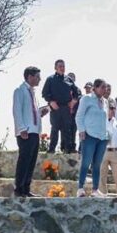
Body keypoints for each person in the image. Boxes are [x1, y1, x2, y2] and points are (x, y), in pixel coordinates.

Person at [13, 66, 48, 198]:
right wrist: (21, 128)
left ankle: (26, 188)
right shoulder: (20, 91)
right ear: (30, 77)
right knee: (24, 160)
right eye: (37, 76)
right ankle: (19, 188)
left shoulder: (33, 93)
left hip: (34, 131)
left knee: (31, 161)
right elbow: (17, 111)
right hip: (26, 131)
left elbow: (31, 111)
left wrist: (41, 113)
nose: (40, 79)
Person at [75, 78, 111, 198]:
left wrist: (108, 135)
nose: (105, 89)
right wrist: (81, 130)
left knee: (97, 164)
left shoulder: (105, 101)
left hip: (102, 137)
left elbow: (106, 119)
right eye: (102, 87)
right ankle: (80, 188)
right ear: (95, 88)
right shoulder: (86, 99)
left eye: (106, 87)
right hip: (89, 135)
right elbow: (79, 116)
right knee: (86, 162)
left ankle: (95, 190)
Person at [41, 59, 80, 153]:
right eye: (60, 66)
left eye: (63, 66)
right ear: (55, 68)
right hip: (55, 108)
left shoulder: (69, 79)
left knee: (67, 129)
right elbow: (44, 93)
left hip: (66, 108)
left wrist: (74, 101)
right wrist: (51, 102)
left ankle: (67, 150)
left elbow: (77, 93)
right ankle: (51, 150)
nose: (62, 68)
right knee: (54, 129)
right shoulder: (50, 79)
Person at [99, 89, 117, 195]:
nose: (113, 110)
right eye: (111, 108)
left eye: (114, 108)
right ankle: (101, 198)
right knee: (101, 178)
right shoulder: (100, 121)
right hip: (102, 152)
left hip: (116, 152)